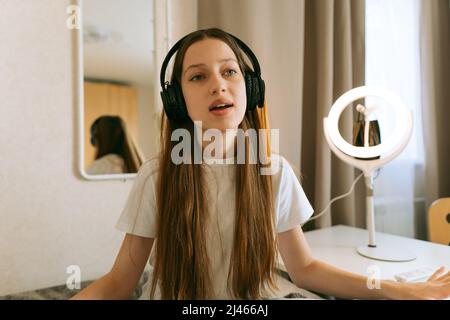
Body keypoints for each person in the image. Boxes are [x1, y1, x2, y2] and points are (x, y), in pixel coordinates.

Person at [72, 28, 450, 300]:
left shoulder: (275, 171)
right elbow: (121, 281)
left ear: (249, 89)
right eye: (198, 76)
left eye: (229, 71)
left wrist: (402, 291)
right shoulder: (157, 176)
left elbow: (305, 270)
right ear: (177, 101)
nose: (218, 85)